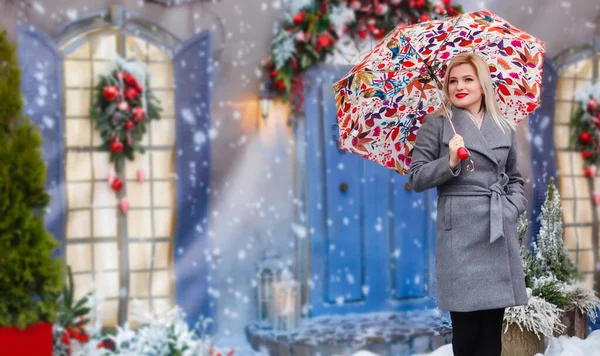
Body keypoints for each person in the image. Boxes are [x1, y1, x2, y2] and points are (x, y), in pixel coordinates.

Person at [407, 53, 529, 356]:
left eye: (468, 79)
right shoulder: (436, 124)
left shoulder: (503, 126)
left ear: (482, 83)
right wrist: (448, 161)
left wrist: (512, 208)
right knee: (466, 336)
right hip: (459, 236)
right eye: (453, 80)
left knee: (491, 338)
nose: (459, 86)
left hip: (496, 230)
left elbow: (515, 179)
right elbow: (417, 177)